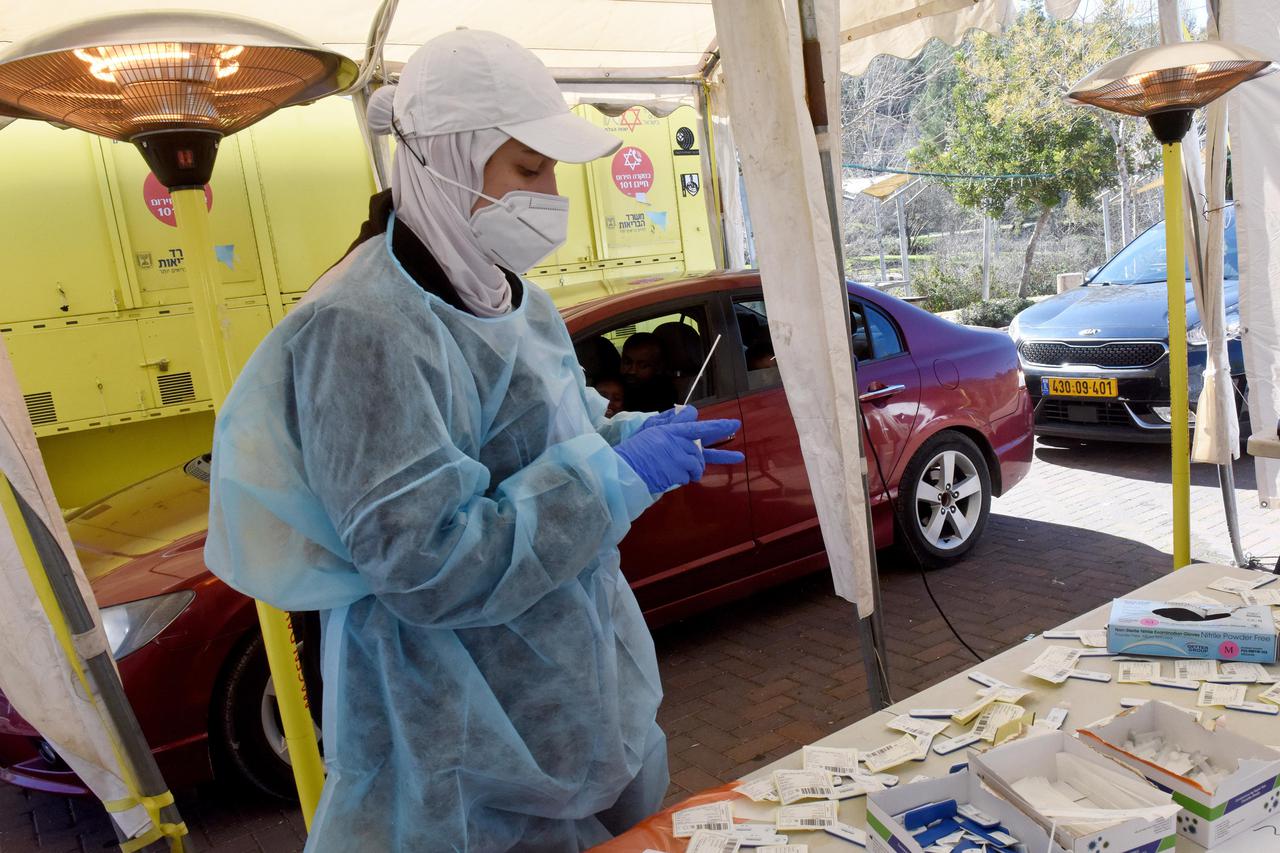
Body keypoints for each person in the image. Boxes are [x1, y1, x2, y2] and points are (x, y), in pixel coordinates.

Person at [203, 29, 743, 852]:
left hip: (573, 705)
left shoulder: (512, 298)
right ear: (450, 158)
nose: (551, 192)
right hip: (455, 749)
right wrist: (611, 479)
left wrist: (631, 437)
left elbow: (561, 434)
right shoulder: (359, 327)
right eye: (529, 169)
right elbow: (425, 561)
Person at [620, 333, 677, 413]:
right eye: (627, 362)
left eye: (643, 366)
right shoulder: (615, 385)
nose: (632, 371)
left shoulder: (663, 395)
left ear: (658, 368)